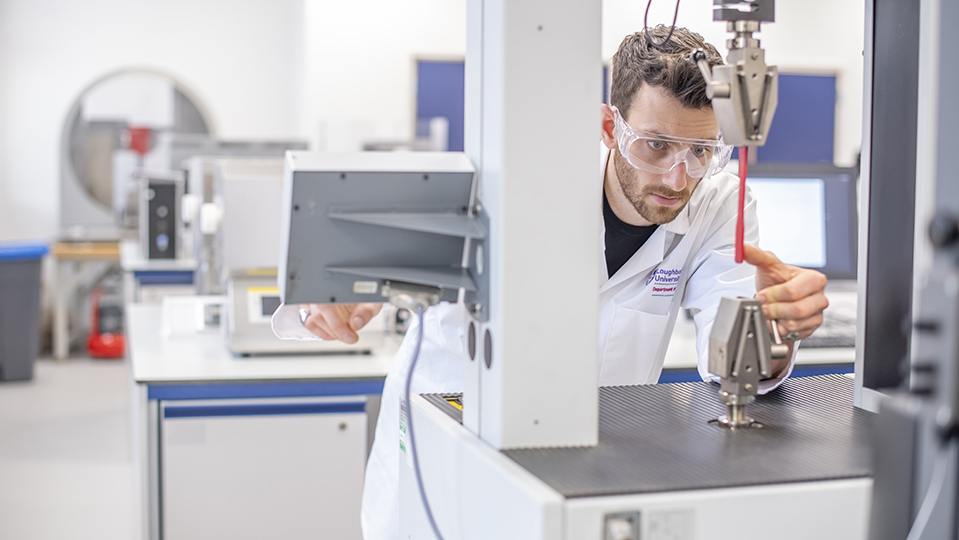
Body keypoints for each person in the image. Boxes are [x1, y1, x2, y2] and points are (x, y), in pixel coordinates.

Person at [288, 26, 829, 540]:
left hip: (590, 466)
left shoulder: (720, 201)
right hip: (443, 458)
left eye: (701, 151)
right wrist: (326, 301)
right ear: (609, 128)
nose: (677, 177)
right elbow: (336, 281)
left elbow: (729, 351)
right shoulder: (506, 177)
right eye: (655, 145)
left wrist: (772, 332)